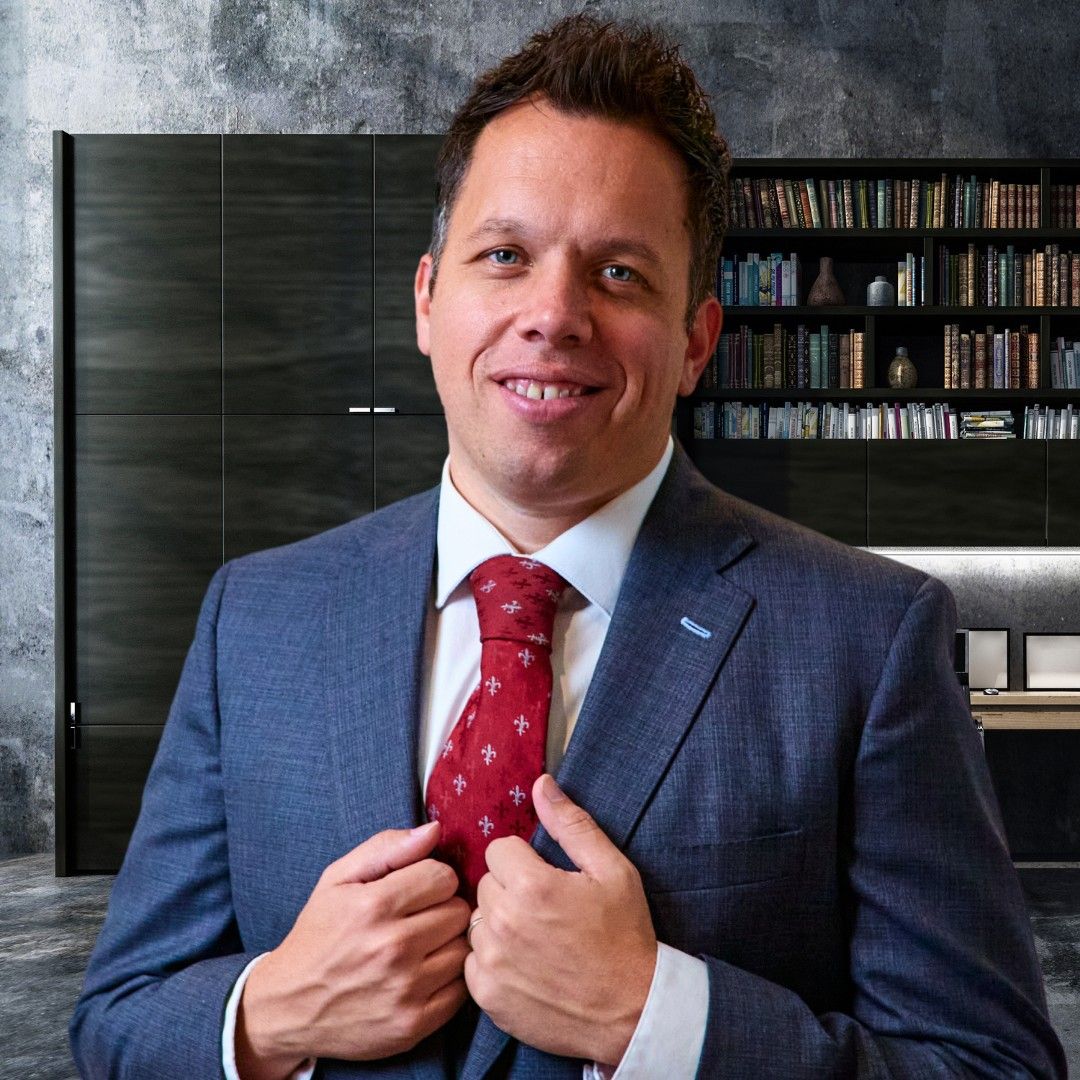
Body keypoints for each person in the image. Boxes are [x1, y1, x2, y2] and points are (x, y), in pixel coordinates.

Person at [70, 13, 1066, 1079]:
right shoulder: (253, 617)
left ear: (694, 341)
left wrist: (663, 1020)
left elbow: (993, 1064)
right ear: (427, 300)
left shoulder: (869, 637)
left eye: (622, 274)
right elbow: (118, 1017)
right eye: (504, 255)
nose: (554, 314)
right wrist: (268, 1015)